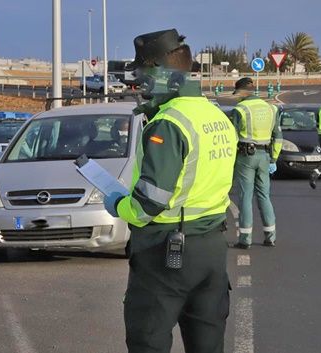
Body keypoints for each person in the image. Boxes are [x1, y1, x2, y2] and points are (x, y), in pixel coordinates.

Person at [102, 29, 237, 353]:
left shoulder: (169, 123)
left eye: (143, 74)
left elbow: (150, 202)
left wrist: (118, 203)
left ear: (161, 72)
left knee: (148, 339)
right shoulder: (215, 116)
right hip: (211, 248)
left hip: (166, 251)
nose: (139, 83)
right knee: (208, 343)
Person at [229, 77, 282, 249]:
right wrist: (273, 158)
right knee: (264, 195)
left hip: (246, 156)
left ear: (243, 92)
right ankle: (270, 236)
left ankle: (245, 239)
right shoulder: (271, 108)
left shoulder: (241, 109)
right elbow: (278, 137)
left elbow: (233, 138)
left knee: (245, 197)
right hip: (265, 156)